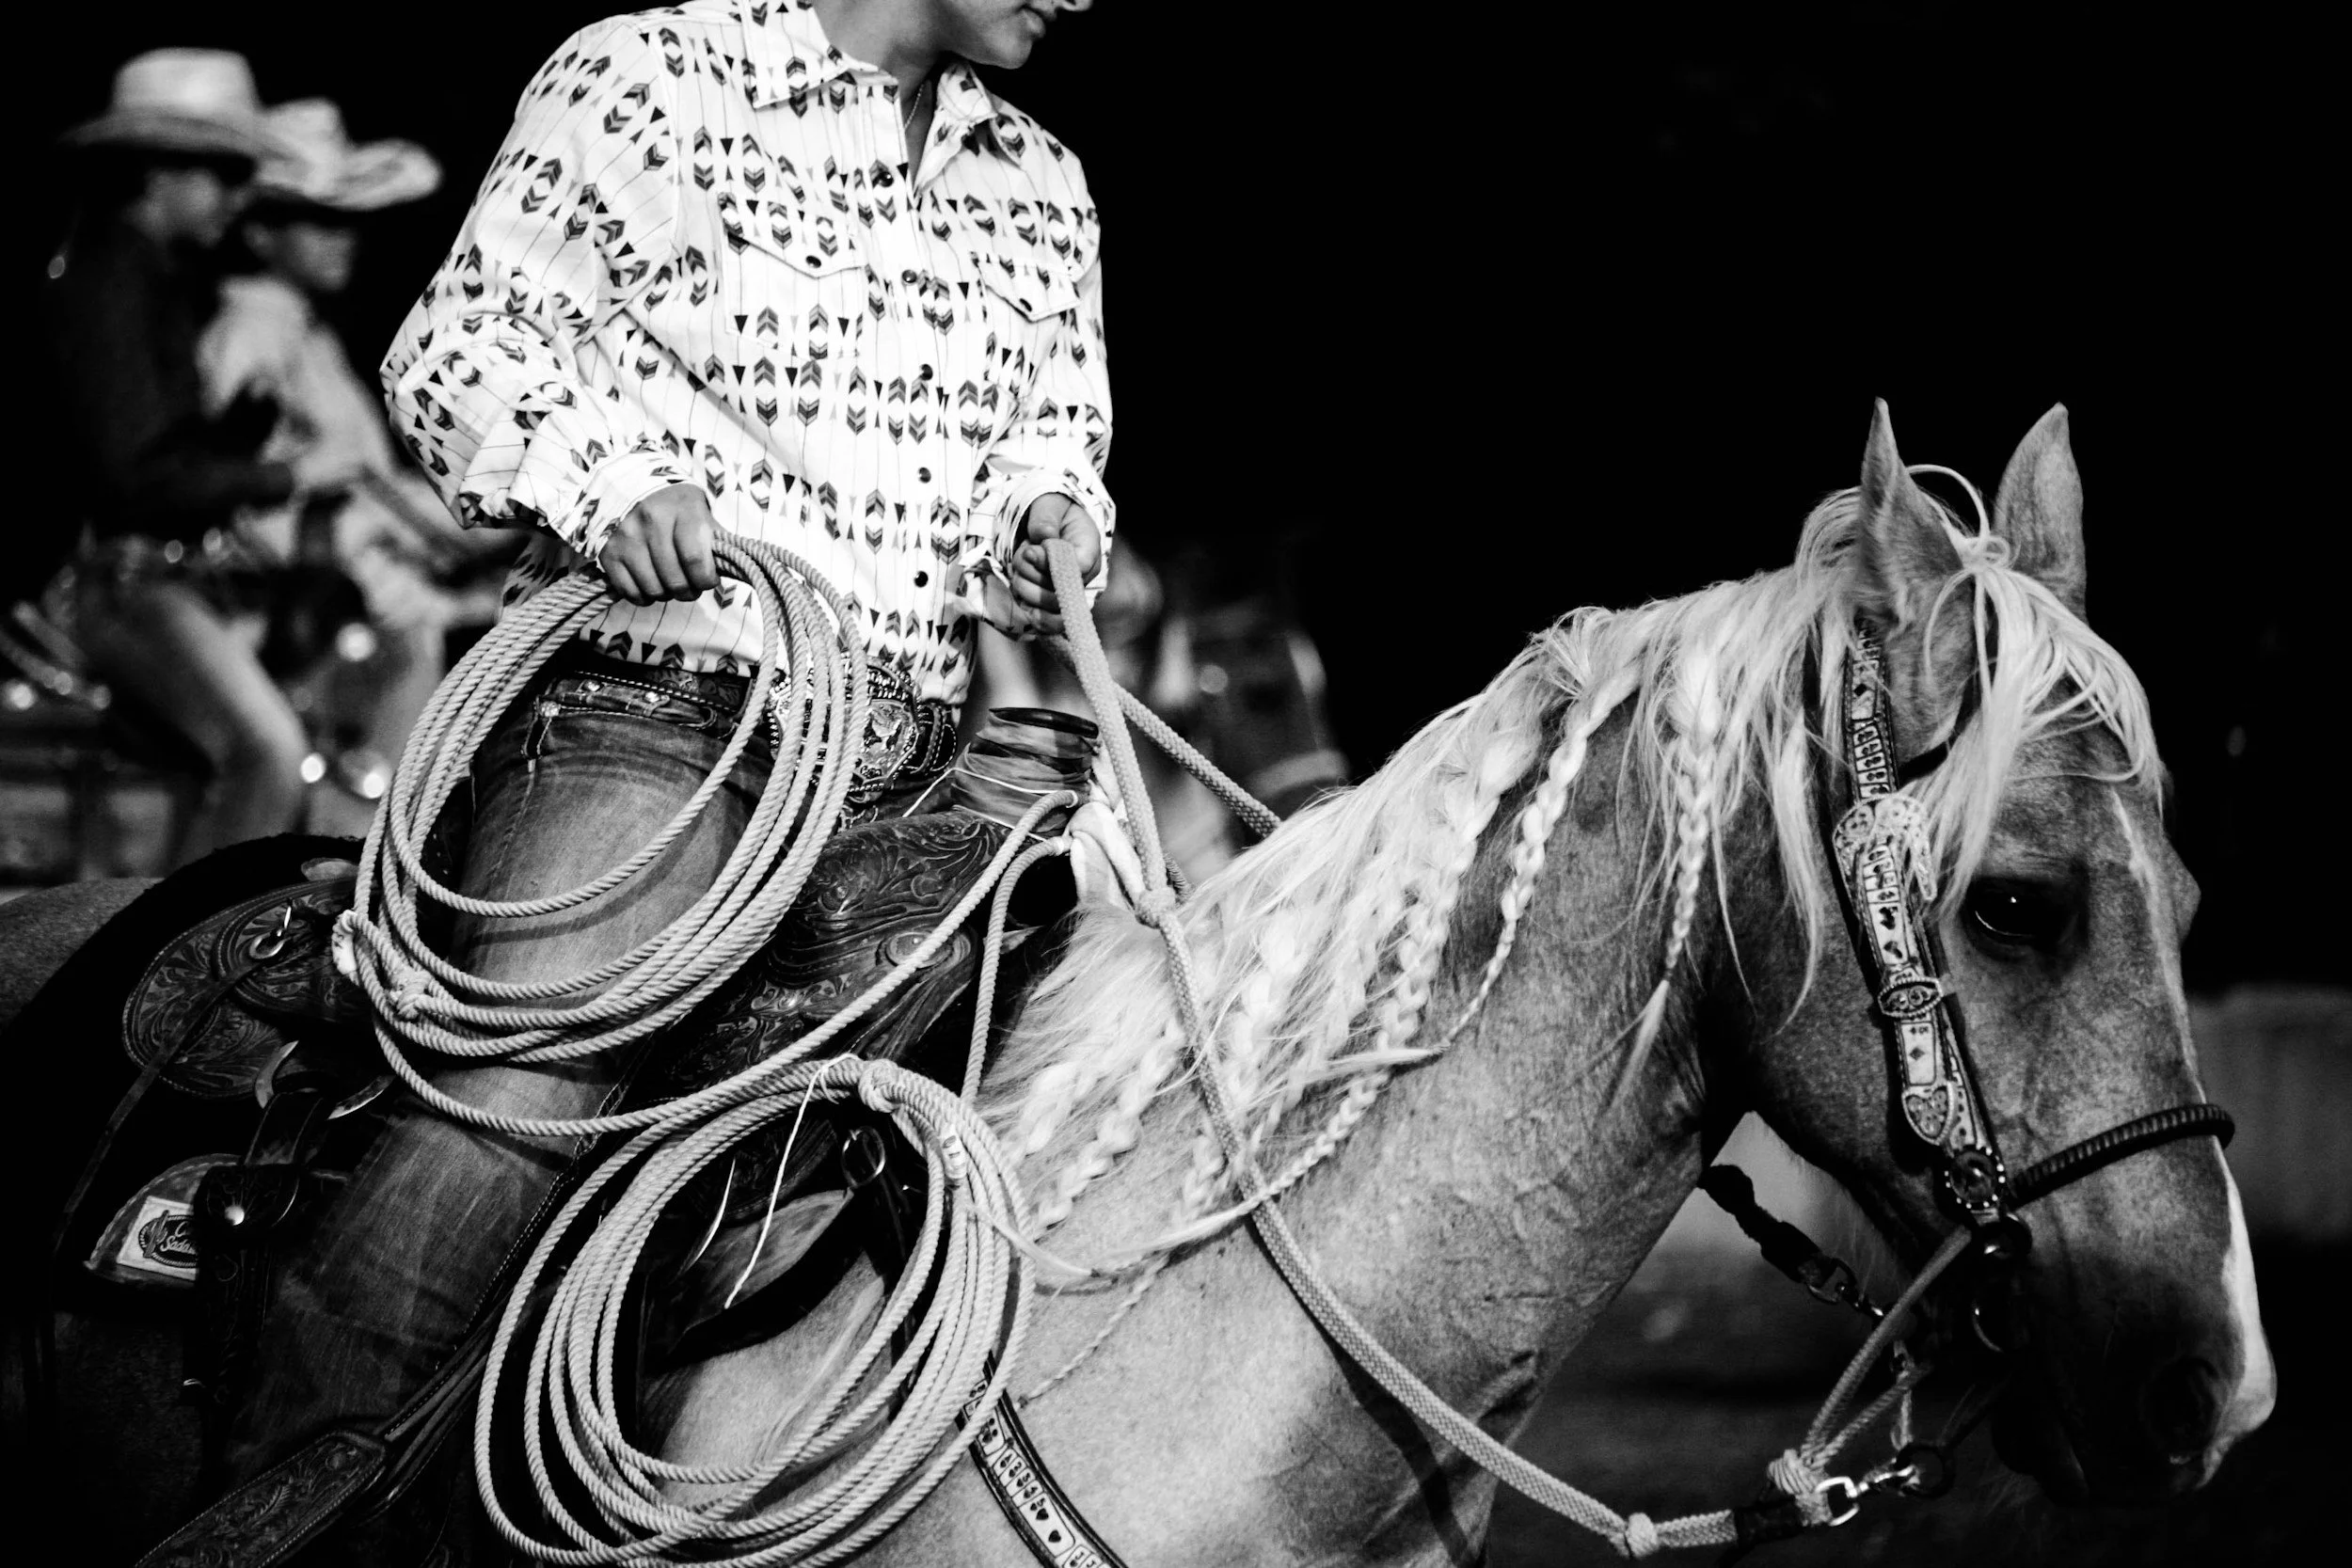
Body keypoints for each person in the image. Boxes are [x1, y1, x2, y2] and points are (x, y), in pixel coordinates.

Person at [223, 0, 1111, 1513]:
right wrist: (608, 475)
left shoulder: (1041, 179)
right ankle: (277, 1520)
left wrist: (1045, 533)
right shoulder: (654, 79)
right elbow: (456, 351)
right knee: (493, 1144)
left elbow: (1046, 446)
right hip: (658, 720)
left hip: (909, 763)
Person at [40, 49, 351, 865]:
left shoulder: (155, 280)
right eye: (224, 173)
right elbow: (137, 481)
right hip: (128, 585)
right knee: (268, 750)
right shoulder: (110, 284)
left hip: (162, 578)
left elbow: (157, 453)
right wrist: (284, 475)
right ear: (157, 172)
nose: (242, 197)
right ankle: (180, 972)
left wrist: (239, 436)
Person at [199, 97, 512, 822]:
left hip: (373, 607)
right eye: (320, 220)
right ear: (260, 231)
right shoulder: (251, 330)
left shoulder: (308, 336)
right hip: (322, 627)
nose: (344, 240)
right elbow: (223, 489)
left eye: (349, 221)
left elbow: (379, 491)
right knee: (351, 828)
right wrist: (348, 539)